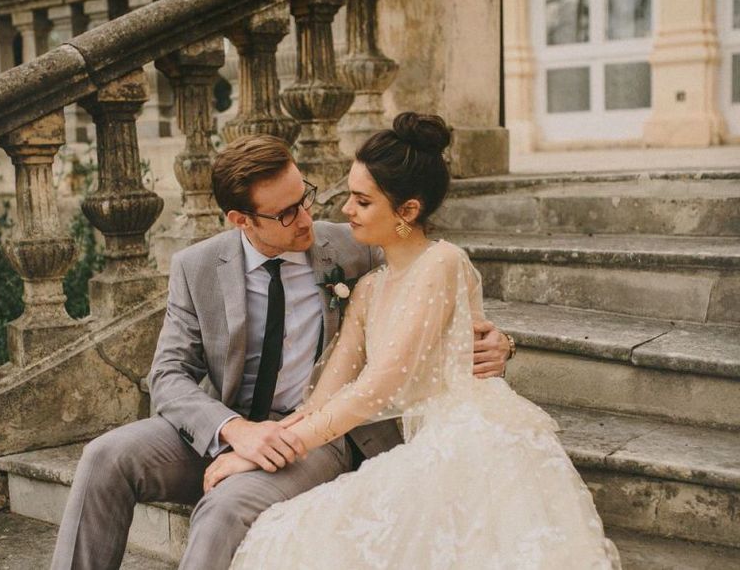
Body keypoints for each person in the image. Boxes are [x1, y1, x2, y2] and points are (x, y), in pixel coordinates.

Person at [50, 132, 511, 570]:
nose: (307, 218)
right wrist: (235, 431)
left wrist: (502, 343)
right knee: (104, 456)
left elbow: (431, 288)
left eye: (304, 197)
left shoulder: (355, 245)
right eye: (287, 213)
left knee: (225, 506)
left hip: (319, 434)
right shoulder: (197, 268)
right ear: (241, 220)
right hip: (227, 425)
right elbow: (168, 376)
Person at [221, 112, 621, 569]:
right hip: (426, 440)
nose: (345, 210)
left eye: (362, 201)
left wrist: (276, 450)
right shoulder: (369, 287)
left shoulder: (443, 263)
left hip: (474, 434)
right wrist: (258, 449)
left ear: (407, 211)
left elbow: (377, 388)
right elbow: (323, 397)